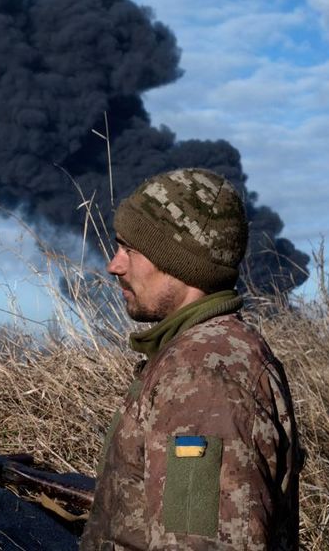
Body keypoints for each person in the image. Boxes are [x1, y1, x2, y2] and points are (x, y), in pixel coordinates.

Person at [80, 168, 303, 550]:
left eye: (129, 249)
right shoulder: (199, 351)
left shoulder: (204, 375)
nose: (114, 265)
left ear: (179, 262)